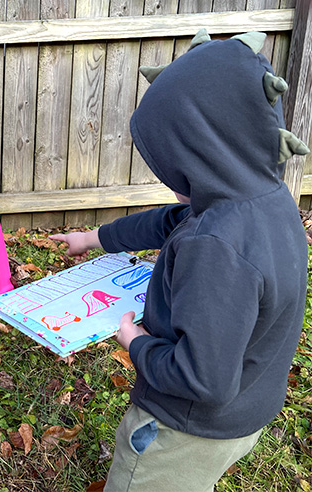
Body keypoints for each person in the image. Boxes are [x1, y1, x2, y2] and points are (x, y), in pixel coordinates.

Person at [50, 30, 310, 491]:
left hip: (180, 429)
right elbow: (170, 220)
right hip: (246, 413)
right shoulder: (266, 199)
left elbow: (202, 379)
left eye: (175, 164)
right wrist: (93, 237)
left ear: (204, 150)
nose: (170, 178)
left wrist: (135, 343)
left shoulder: (216, 246)